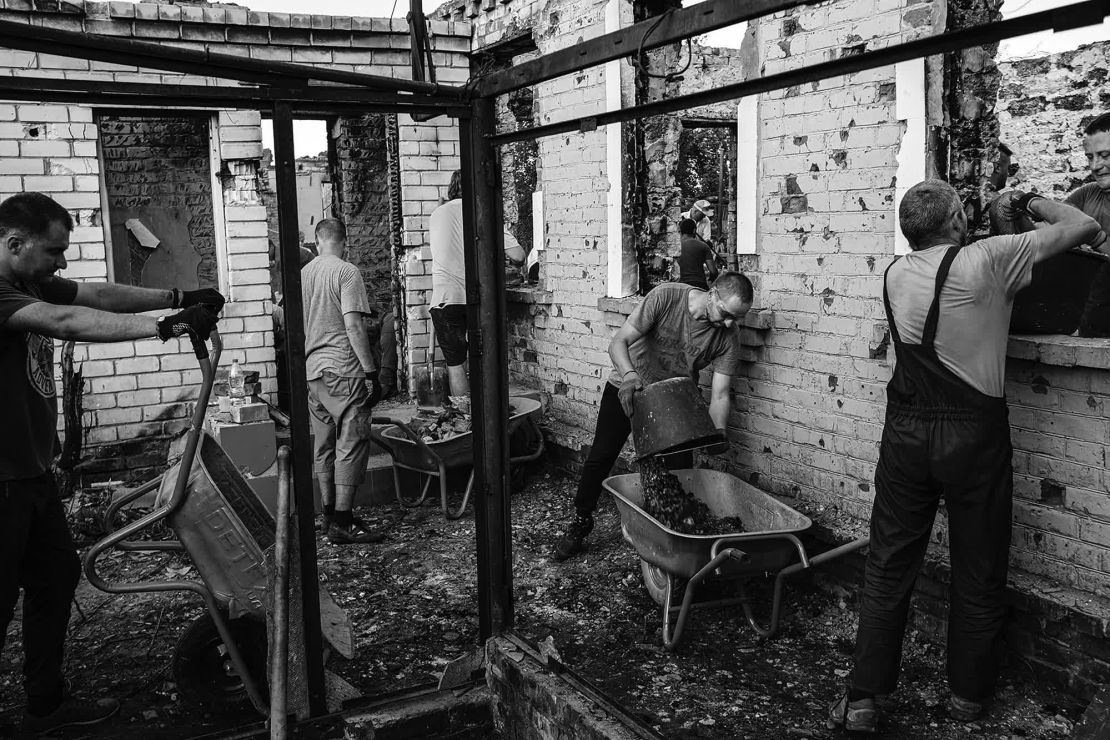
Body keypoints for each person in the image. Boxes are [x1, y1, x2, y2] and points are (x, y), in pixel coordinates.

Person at [829, 180, 1104, 733]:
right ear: (957, 219)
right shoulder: (990, 259)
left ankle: (863, 700)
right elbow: (1084, 228)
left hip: (907, 433)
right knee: (978, 567)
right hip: (974, 437)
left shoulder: (894, 273)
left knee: (888, 564)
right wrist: (1026, 202)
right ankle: (967, 699)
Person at [0, 192, 222, 733]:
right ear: (14, 244)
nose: (62, 262)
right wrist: (167, 328)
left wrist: (177, 294)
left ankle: (46, 707)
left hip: (28, 472)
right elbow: (69, 320)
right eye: (54, 251)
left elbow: (96, 294)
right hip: (0, 479)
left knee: (55, 576)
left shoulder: (26, 279)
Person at [552, 271, 753, 562]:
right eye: (727, 314)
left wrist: (718, 431)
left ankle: (672, 541)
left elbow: (721, 393)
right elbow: (618, 342)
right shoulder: (666, 297)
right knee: (601, 456)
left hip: (674, 400)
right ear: (712, 294)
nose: (731, 323)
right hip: (628, 388)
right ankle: (581, 520)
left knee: (679, 474)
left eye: (738, 318)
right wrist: (630, 376)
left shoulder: (727, 336)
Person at [301, 218, 383, 545]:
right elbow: (354, 326)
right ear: (344, 241)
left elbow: (286, 320)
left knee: (323, 444)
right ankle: (343, 523)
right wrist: (371, 371)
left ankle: (328, 514)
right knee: (352, 438)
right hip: (344, 370)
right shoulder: (347, 272)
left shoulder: (302, 275)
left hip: (313, 373)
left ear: (317, 242)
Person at [429, 170, 525, 397]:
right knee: (485, 361)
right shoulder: (484, 213)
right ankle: (488, 417)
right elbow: (519, 256)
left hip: (444, 301)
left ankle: (467, 421)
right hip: (478, 300)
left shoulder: (436, 214)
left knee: (456, 366)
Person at [676, 217, 719, 290]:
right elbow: (713, 271)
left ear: (680, 231)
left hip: (681, 286)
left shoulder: (676, 247)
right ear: (694, 230)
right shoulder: (703, 246)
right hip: (699, 285)